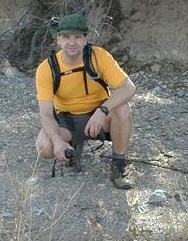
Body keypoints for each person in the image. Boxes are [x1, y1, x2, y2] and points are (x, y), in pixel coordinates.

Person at [35, 13, 136, 189]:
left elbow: (129, 88)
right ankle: (73, 147)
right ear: (58, 39)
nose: (72, 42)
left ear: (85, 38)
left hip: (99, 118)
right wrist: (56, 140)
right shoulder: (46, 68)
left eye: (77, 37)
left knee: (122, 108)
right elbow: (45, 113)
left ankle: (118, 167)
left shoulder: (99, 56)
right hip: (67, 119)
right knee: (45, 147)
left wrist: (102, 111)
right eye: (66, 36)